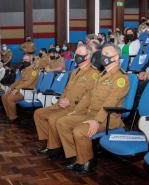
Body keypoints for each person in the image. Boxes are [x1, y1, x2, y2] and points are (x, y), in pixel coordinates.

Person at [56, 44, 129, 174]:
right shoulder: (102, 74)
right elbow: (89, 96)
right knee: (62, 122)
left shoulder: (120, 78)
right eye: (102, 54)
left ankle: (88, 161)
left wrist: (97, 121)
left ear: (116, 57)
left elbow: (110, 102)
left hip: (107, 118)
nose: (103, 56)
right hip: (90, 113)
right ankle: (77, 157)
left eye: (107, 53)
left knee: (80, 131)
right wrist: (76, 110)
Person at [34, 45, 102, 158]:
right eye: (76, 53)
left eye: (80, 53)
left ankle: (57, 148)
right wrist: (60, 101)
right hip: (63, 104)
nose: (77, 55)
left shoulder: (93, 74)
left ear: (88, 56)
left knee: (53, 119)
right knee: (39, 113)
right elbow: (67, 90)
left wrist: (71, 102)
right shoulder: (75, 71)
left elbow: (89, 96)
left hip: (75, 107)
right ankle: (53, 142)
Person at [1, 54, 39, 123]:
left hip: (27, 91)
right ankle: (9, 115)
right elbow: (19, 80)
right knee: (4, 96)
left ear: (31, 60)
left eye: (26, 60)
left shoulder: (34, 71)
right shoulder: (24, 70)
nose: (24, 61)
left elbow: (28, 83)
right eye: (23, 60)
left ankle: (13, 118)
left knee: (10, 98)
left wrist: (16, 89)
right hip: (20, 90)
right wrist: (11, 87)